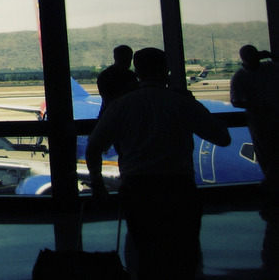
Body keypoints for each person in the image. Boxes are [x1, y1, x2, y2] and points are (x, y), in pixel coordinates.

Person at [87, 48, 231, 279]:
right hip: (178, 188)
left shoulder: (121, 105)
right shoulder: (179, 102)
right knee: (183, 255)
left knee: (144, 253)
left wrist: (97, 183)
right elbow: (223, 138)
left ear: (138, 72)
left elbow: (94, 147)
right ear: (166, 71)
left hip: (138, 190)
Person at [230, 44, 279, 214]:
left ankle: (269, 188)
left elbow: (236, 101)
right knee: (267, 155)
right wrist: (259, 106)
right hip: (260, 120)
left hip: (262, 119)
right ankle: (270, 188)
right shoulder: (241, 77)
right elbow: (235, 101)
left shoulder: (267, 68)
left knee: (267, 155)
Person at [96, 45, 138, 117]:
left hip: (109, 115)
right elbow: (108, 100)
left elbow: (107, 100)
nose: (128, 61)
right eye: (126, 59)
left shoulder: (104, 75)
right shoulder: (131, 75)